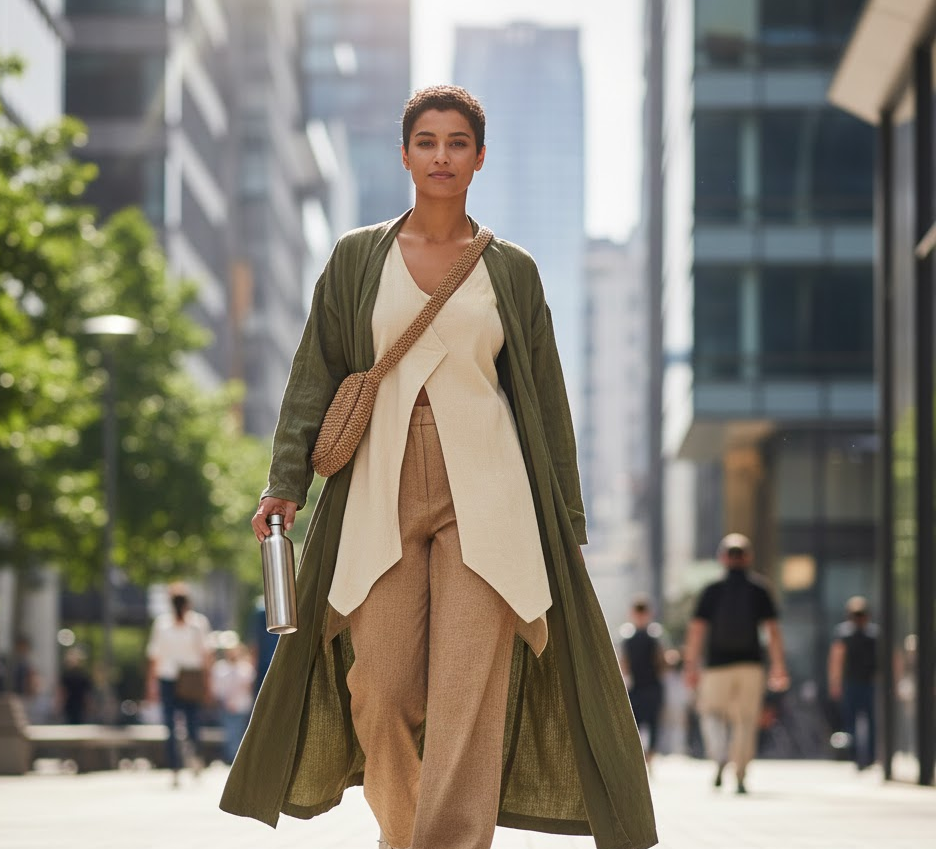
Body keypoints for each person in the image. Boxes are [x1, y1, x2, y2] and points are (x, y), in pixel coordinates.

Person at [220, 86, 657, 849]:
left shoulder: (511, 272)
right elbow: (315, 375)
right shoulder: (359, 257)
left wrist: (566, 524)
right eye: (427, 141)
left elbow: (545, 403)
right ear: (405, 154)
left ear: (480, 158)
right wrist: (285, 481)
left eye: (458, 143)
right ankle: (406, 835)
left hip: (488, 496)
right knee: (380, 688)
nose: (442, 156)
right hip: (378, 489)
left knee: (466, 702)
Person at [683, 532, 788, 795]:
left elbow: (696, 631)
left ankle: (719, 756)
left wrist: (691, 666)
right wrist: (778, 666)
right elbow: (773, 631)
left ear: (722, 558)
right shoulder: (759, 589)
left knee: (711, 713)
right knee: (745, 721)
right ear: (748, 558)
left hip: (717, 666)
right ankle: (740, 773)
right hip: (751, 665)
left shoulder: (712, 590)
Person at [145, 581, 213, 786]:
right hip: (182, 678)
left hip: (172, 678)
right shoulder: (193, 624)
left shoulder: (182, 624)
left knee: (175, 725)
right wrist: (207, 683)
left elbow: (154, 657)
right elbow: (206, 656)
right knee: (189, 723)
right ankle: (190, 761)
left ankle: (178, 766)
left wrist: (150, 684)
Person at [828, 595, 878, 770]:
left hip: (869, 683)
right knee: (852, 722)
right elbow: (837, 659)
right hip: (851, 683)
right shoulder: (844, 634)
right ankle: (856, 756)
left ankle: (869, 757)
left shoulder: (874, 634)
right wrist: (835, 683)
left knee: (870, 722)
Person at [619, 596, 665, 764]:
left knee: (653, 724)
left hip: (651, 686)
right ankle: (639, 759)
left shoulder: (654, 635)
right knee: (635, 724)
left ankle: (650, 758)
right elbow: (623, 663)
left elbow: (661, 662)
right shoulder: (627, 637)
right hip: (635, 687)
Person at [211, 638, 255, 764]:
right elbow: (217, 689)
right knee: (230, 732)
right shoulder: (220, 668)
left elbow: (248, 687)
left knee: (240, 731)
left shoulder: (245, 668)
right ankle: (232, 757)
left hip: (242, 706)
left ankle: (237, 757)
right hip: (226, 706)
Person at [58, 647, 93, 724]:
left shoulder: (84, 675)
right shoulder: (66, 675)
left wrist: (89, 707)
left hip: (80, 707)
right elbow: (62, 692)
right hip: (69, 707)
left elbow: (87, 695)